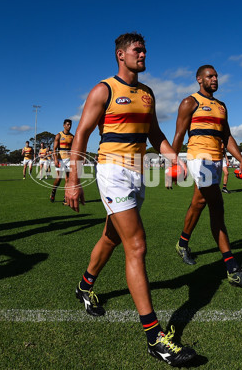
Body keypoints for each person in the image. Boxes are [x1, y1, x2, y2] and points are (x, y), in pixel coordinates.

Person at [64, 32, 196, 366]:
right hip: (112, 172)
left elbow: (155, 134)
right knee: (136, 245)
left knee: (112, 236)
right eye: (138, 50)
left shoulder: (148, 93)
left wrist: (172, 157)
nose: (144, 53)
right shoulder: (103, 90)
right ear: (121, 55)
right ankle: (155, 338)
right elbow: (81, 134)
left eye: (145, 49)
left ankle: (84, 286)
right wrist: (72, 180)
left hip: (138, 173)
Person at [170, 65, 242, 287]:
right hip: (199, 159)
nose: (215, 79)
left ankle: (182, 244)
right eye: (210, 76)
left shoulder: (221, 106)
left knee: (198, 202)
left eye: (217, 76)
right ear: (199, 79)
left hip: (217, 159)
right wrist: (171, 163)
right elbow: (179, 134)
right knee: (217, 206)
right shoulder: (190, 102)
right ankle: (233, 269)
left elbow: (226, 135)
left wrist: (241, 159)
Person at [49, 119, 74, 203]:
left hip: (68, 159)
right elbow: (54, 149)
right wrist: (55, 159)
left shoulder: (72, 137)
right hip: (60, 159)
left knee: (68, 179)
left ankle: (65, 198)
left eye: (70, 125)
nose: (69, 126)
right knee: (59, 179)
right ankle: (53, 192)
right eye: (67, 124)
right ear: (64, 125)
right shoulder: (58, 135)